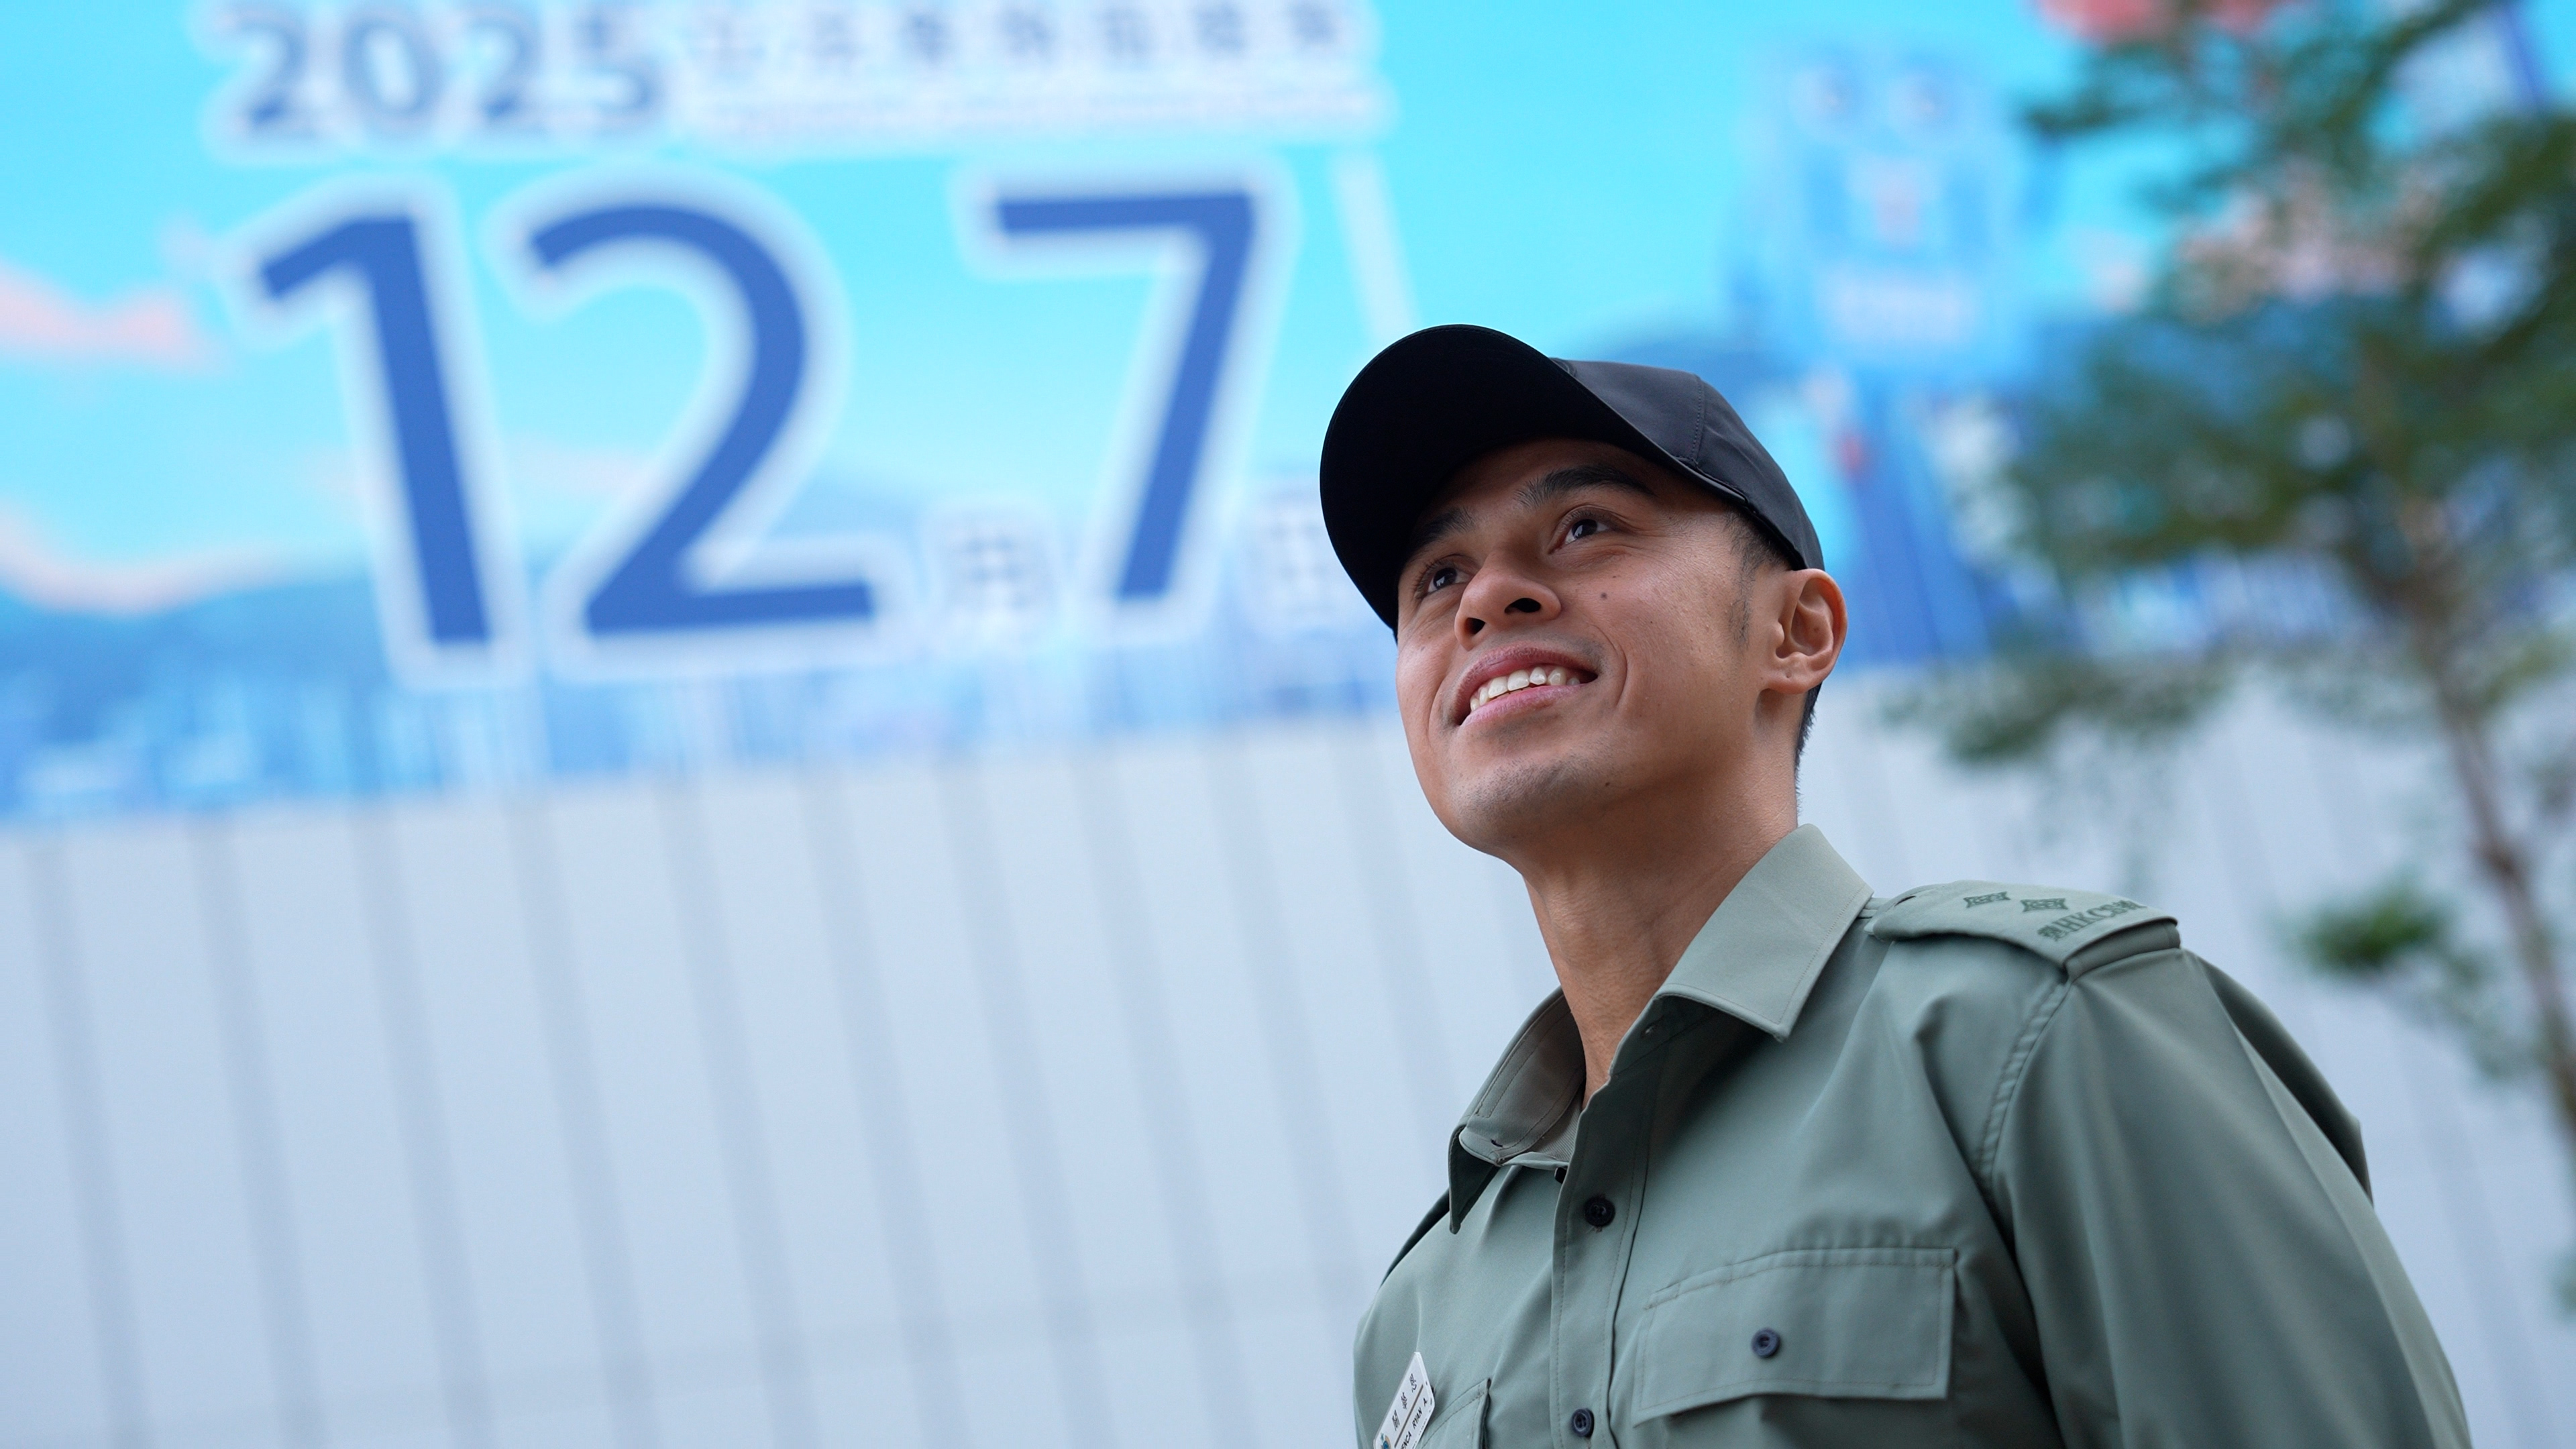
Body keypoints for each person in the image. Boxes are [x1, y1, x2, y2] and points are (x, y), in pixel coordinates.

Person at [1319, 325, 2470, 1449]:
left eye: (1584, 527)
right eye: (1438, 577)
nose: (1487, 599)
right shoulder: (1418, 1317)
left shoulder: (2041, 1036)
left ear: (1796, 630)